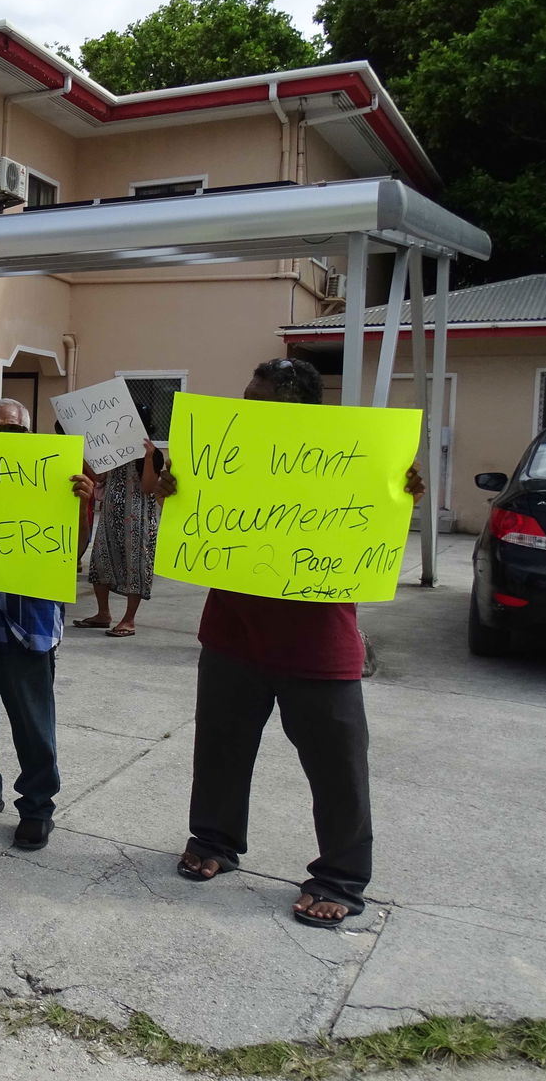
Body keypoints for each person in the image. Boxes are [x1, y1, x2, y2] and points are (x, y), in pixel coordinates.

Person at [164, 358, 423, 929]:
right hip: (233, 632)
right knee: (220, 749)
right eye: (246, 393)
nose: (245, 406)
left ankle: (341, 877)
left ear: (296, 409)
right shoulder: (226, 455)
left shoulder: (342, 458)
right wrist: (174, 492)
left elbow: (377, 509)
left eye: (259, 398)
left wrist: (397, 493)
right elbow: (192, 511)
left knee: (338, 767)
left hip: (318, 643)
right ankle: (214, 840)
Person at [0, 398, 95, 851]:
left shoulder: (51, 479)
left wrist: (80, 508)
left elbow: (72, 551)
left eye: (14, 431)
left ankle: (37, 808)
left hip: (30, 626)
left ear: (30, 435)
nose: (5, 438)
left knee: (32, 723)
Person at [74, 411, 164, 638]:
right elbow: (100, 477)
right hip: (110, 515)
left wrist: (149, 457)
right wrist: (85, 453)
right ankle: (103, 613)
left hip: (138, 520)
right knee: (100, 562)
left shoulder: (152, 455)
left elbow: (147, 488)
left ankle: (129, 619)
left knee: (136, 567)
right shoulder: (114, 450)